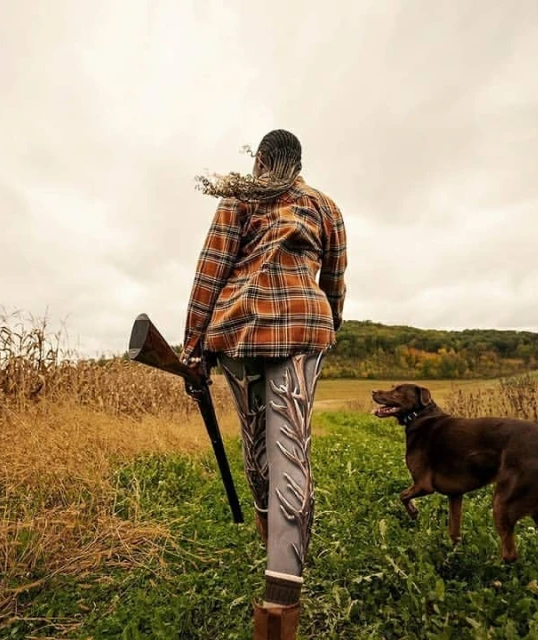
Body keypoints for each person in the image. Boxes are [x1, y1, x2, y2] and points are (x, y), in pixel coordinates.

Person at [181, 129, 347, 639]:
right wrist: (329, 327)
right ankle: (281, 584)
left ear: (260, 162)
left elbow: (211, 271)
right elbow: (334, 279)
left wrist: (193, 348)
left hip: (240, 325)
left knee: (259, 448)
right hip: (303, 327)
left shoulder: (241, 195)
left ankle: (275, 590)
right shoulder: (324, 206)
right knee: (289, 448)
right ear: (298, 166)